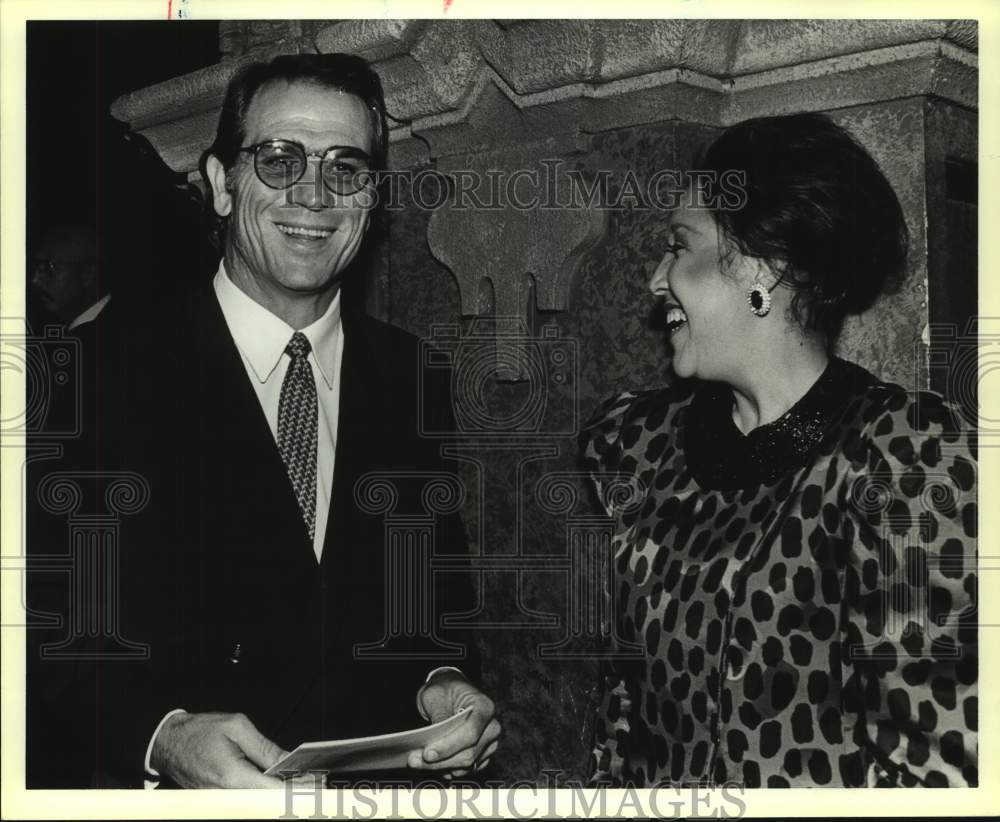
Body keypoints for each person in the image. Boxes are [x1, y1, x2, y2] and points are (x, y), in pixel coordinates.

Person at [27, 52, 499, 789]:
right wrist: (161, 736)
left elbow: (427, 604)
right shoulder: (89, 373)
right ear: (221, 185)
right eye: (279, 159)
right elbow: (38, 623)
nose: (314, 193)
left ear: (371, 199)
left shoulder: (412, 374)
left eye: (346, 167)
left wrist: (443, 681)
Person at [579, 113, 977, 788]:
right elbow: (624, 714)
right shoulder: (640, 446)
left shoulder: (902, 459)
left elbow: (935, 762)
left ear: (766, 264)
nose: (655, 280)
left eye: (679, 246)